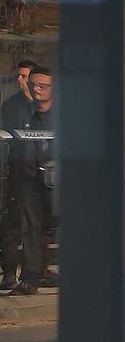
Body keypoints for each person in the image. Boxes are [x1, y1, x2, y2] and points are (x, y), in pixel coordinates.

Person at [0, 65, 54, 295]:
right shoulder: (19, 111)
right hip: (29, 179)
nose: (37, 89)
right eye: (34, 85)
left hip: (59, 182)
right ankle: (30, 279)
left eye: (43, 86)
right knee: (30, 228)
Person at [0, 61, 37, 291]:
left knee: (37, 224)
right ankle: (10, 273)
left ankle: (35, 272)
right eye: (19, 76)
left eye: (26, 76)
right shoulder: (11, 105)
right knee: (12, 222)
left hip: (38, 171)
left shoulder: (42, 105)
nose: (21, 81)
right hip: (16, 169)